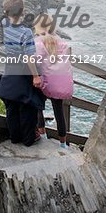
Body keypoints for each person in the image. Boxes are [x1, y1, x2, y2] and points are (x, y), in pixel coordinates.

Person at [0, 0, 45, 146]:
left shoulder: (4, 23)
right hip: (23, 69)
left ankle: (15, 137)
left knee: (11, 103)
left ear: (6, 11)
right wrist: (35, 77)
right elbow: (29, 57)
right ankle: (29, 139)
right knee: (27, 104)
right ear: (22, 11)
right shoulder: (26, 33)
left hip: (10, 67)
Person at [33, 13, 73, 149]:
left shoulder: (39, 41)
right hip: (59, 83)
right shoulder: (61, 41)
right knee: (59, 112)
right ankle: (63, 143)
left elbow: (36, 60)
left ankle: (43, 135)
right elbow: (67, 57)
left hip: (45, 82)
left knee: (39, 107)